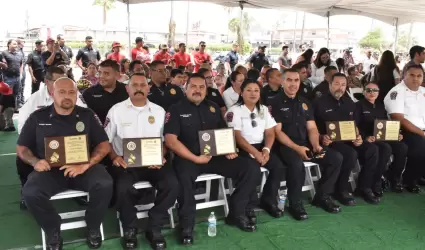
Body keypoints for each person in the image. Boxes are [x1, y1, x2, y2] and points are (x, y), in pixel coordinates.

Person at [164, 73, 261, 245]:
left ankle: (237, 212)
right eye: (193, 86)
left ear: (206, 90)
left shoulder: (213, 107)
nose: (197, 90)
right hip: (189, 158)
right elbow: (171, 141)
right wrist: (195, 158)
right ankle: (186, 224)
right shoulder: (175, 109)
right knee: (183, 177)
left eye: (202, 87)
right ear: (185, 88)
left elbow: (223, 133)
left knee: (250, 167)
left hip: (215, 157)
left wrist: (229, 149)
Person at [17, 77, 113, 250]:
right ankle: (53, 229)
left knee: (104, 184)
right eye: (62, 92)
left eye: (71, 92)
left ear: (77, 94)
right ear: (52, 94)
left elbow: (104, 145)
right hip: (50, 170)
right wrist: (35, 161)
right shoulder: (37, 117)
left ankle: (93, 226)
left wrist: (87, 164)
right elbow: (22, 148)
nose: (67, 96)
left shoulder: (87, 116)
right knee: (31, 192)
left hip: (83, 168)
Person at [105, 73, 178, 249]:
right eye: (134, 85)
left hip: (154, 162)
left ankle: (154, 225)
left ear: (148, 88)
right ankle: (130, 228)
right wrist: (114, 157)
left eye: (142, 85)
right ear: (127, 88)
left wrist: (161, 155)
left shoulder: (159, 111)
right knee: (122, 188)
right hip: (125, 163)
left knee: (173, 185)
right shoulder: (116, 110)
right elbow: (105, 141)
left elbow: (165, 141)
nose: (139, 88)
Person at [270, 68, 343, 215]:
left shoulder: (305, 102)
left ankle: (322, 196)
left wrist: (316, 145)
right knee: (296, 164)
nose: (293, 84)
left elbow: (312, 128)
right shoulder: (274, 102)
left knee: (335, 158)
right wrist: (297, 148)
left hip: (307, 143)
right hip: (285, 145)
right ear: (282, 82)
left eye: (296, 80)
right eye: (289, 80)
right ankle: (295, 203)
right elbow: (277, 132)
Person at [17, 66, 87, 209]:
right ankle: (26, 190)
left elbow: (85, 118)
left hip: (69, 143)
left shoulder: (74, 95)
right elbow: (22, 126)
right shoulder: (35, 99)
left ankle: (79, 190)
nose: (61, 84)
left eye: (64, 80)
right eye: (56, 80)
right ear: (46, 82)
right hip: (41, 146)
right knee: (22, 157)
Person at [313, 73, 380, 204]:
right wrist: (321, 137)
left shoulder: (349, 102)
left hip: (347, 139)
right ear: (330, 84)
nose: (340, 88)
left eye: (343, 85)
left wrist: (358, 137)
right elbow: (311, 126)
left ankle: (364, 187)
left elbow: (353, 124)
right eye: (337, 84)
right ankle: (341, 189)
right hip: (328, 141)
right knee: (350, 153)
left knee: (372, 150)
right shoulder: (318, 103)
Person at [226, 79, 285, 218]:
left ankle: (268, 200)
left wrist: (266, 150)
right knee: (252, 170)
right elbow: (237, 137)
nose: (253, 93)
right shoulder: (234, 111)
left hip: (261, 147)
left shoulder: (263, 109)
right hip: (242, 148)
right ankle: (248, 206)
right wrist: (255, 153)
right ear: (241, 93)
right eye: (249, 90)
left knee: (278, 167)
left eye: (256, 90)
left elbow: (270, 132)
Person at [355, 82, 408, 194]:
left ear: (379, 93)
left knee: (402, 147)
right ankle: (376, 181)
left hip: (382, 136)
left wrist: (395, 134)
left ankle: (394, 178)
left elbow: (386, 124)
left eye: (375, 90)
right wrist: (365, 137)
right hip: (369, 138)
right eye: (368, 90)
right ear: (364, 91)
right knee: (385, 148)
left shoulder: (380, 105)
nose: (372, 93)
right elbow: (354, 125)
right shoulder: (358, 105)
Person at [384, 64, 425, 193]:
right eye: (412, 75)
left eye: (419, 76)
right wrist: (422, 133)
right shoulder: (396, 92)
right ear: (404, 75)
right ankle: (409, 180)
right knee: (420, 146)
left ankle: (419, 175)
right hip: (403, 131)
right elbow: (399, 119)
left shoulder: (423, 91)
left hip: (421, 129)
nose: (416, 79)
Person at [82, 59, 129, 124]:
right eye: (100, 73)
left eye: (106, 73)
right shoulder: (88, 94)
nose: (101, 76)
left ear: (116, 74)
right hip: (99, 133)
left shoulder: (128, 91)